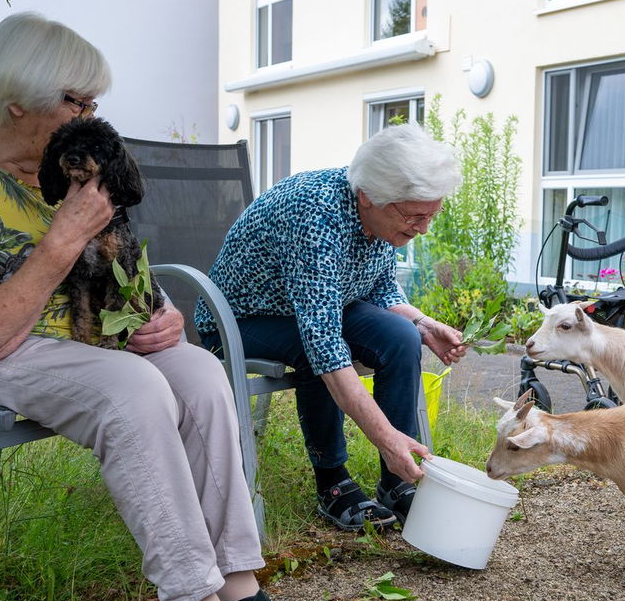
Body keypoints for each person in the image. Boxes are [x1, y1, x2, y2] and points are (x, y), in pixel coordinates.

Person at [0, 12, 318, 601]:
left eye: (93, 103)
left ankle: (236, 581)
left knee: (199, 372)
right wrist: (60, 239)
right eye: (74, 101)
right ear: (15, 100)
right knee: (134, 387)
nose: (89, 117)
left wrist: (160, 313)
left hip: (83, 345)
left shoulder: (66, 167)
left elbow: (121, 266)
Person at [196, 123, 470, 531]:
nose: (424, 228)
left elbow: (378, 287)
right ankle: (333, 484)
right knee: (317, 352)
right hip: (239, 319)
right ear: (369, 197)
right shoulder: (316, 214)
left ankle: (397, 483)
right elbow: (324, 343)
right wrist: (385, 437)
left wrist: (424, 324)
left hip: (313, 308)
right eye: (416, 216)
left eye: (432, 214)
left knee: (400, 336)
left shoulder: (379, 212)